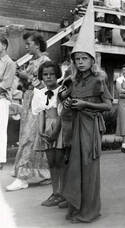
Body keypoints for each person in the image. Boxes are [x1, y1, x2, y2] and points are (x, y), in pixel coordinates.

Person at [62, 0, 112, 222]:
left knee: (88, 168)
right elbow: (67, 100)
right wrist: (67, 103)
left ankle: (89, 210)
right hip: (73, 126)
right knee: (74, 167)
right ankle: (75, 206)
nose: (81, 62)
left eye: (84, 58)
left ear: (92, 60)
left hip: (90, 127)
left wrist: (86, 105)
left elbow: (108, 106)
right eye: (77, 58)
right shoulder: (72, 80)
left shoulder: (99, 79)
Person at [6, 32, 51, 191]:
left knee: (30, 138)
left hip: (37, 102)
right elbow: (28, 84)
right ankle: (42, 174)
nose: (26, 47)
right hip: (28, 100)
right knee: (27, 136)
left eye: (28, 44)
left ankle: (23, 178)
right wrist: (22, 78)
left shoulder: (45, 61)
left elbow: (47, 85)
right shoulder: (33, 61)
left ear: (37, 45)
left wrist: (27, 77)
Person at [32, 61, 66, 207]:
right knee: (51, 162)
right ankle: (55, 192)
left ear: (57, 75)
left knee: (60, 161)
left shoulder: (62, 91)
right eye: (45, 74)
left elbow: (61, 114)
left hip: (60, 127)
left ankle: (64, 193)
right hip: (47, 127)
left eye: (52, 74)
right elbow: (40, 113)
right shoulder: (39, 93)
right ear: (41, 76)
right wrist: (40, 131)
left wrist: (55, 131)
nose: (48, 77)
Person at [0, 37, 16, 170]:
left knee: (1, 129)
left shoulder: (9, 63)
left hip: (2, 99)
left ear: (4, 45)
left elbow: (6, 84)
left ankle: (1, 159)